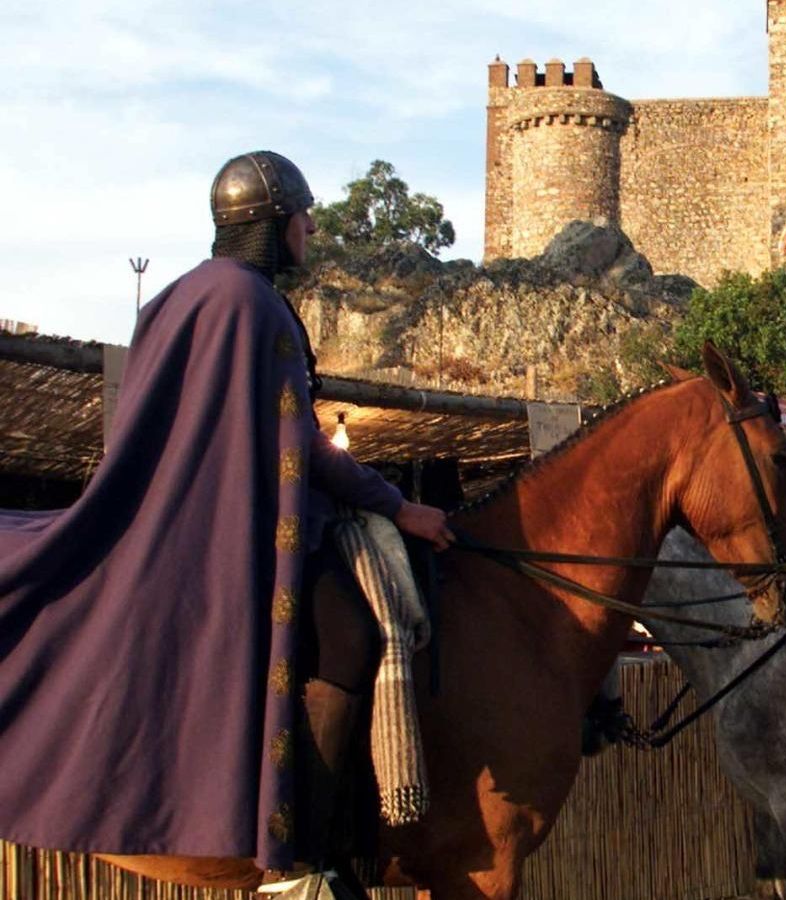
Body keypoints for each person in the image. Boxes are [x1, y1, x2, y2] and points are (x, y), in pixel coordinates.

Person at [0, 151, 453, 886]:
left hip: (196, 525)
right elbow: (300, 444)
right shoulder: (254, 306)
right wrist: (401, 507)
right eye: (302, 215)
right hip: (243, 537)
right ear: (271, 223)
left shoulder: (178, 298)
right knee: (348, 634)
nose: (311, 227)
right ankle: (299, 862)